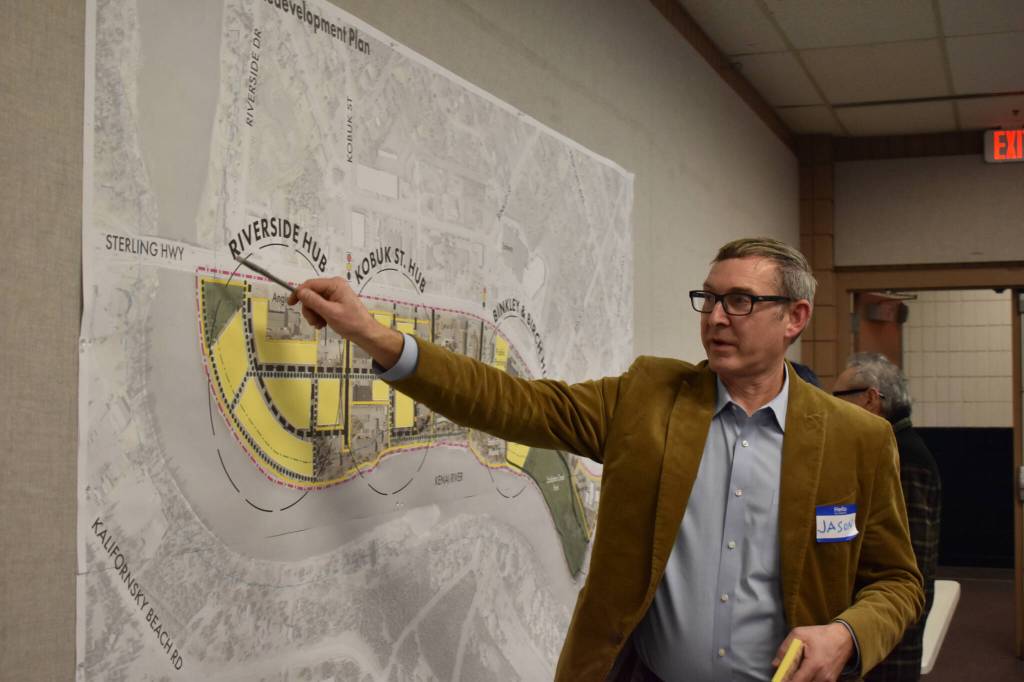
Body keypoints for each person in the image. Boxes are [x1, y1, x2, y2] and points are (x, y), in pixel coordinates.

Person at [288, 238, 924, 682]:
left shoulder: (856, 440)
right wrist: (374, 335)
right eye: (709, 299)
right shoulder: (649, 396)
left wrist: (845, 634)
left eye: (741, 301)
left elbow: (898, 583)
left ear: (796, 318)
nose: (717, 318)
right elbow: (511, 402)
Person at [832, 353, 941, 682]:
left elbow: (910, 567)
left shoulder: (905, 458)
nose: (830, 407)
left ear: (869, 398)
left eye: (837, 398)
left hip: (889, 642)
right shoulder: (892, 448)